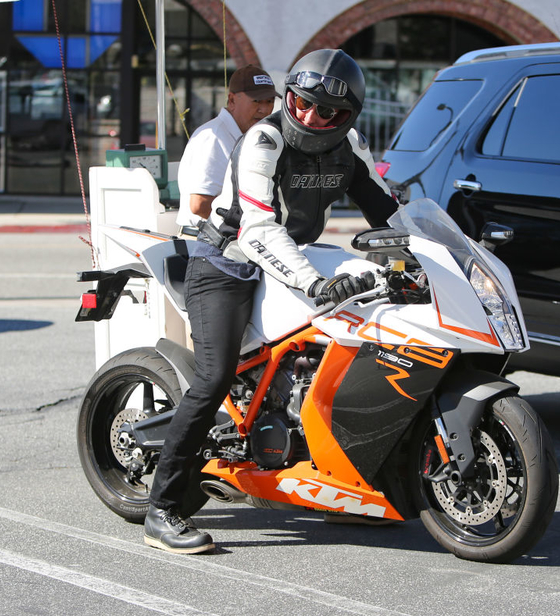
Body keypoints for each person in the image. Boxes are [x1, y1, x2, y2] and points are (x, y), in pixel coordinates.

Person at [144, 49, 398, 554]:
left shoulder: (350, 147)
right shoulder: (264, 137)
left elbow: (389, 212)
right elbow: (258, 228)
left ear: (347, 116)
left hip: (293, 259)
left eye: (327, 111)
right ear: (290, 96)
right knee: (214, 376)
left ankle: (346, 486)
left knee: (357, 347)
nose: (310, 116)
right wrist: (315, 285)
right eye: (302, 102)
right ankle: (163, 508)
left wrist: (437, 255)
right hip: (228, 265)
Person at [176, 64, 277, 226]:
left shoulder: (246, 136)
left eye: (270, 101)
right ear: (232, 100)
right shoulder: (213, 137)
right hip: (207, 242)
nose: (264, 109)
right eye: (256, 101)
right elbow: (199, 204)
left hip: (229, 240)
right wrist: (245, 226)